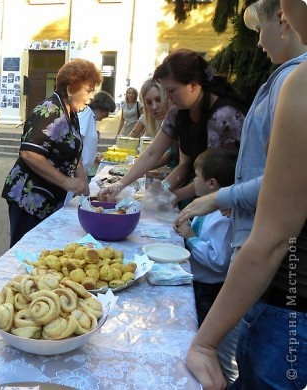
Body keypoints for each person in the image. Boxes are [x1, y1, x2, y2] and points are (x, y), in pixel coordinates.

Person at [184, 1, 307, 388]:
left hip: (288, 300)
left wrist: (204, 342)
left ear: (285, 18)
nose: (257, 42)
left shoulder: (296, 83)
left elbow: (275, 231)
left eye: (259, 29)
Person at [98, 49, 247, 205]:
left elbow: (216, 175)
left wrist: (173, 195)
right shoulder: (179, 111)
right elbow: (152, 153)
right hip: (197, 192)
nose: (167, 98)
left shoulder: (224, 116)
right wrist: (120, 184)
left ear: (194, 85)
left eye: (171, 91)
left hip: (218, 204)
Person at [2, 58, 102, 247]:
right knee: (26, 253)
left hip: (48, 199)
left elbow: (74, 153)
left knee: (43, 253)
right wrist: (66, 182)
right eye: (88, 90)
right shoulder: (49, 111)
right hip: (29, 199)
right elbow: (30, 154)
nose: (92, 97)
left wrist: (84, 187)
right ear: (71, 89)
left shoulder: (71, 113)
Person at [174, 149, 237, 327]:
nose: (193, 180)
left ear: (212, 183)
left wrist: (191, 238)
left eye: (196, 176)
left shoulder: (225, 218)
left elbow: (218, 261)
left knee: (196, 327)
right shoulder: (208, 208)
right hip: (197, 281)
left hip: (207, 290)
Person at [128, 78, 178, 169]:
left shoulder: (179, 120)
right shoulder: (163, 122)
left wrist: (140, 167)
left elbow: (180, 162)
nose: (154, 107)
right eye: (149, 102)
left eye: (158, 100)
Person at [78, 91, 116, 180]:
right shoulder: (86, 114)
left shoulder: (92, 118)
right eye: (107, 112)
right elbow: (77, 141)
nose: (106, 116)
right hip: (79, 172)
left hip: (83, 171)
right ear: (101, 108)